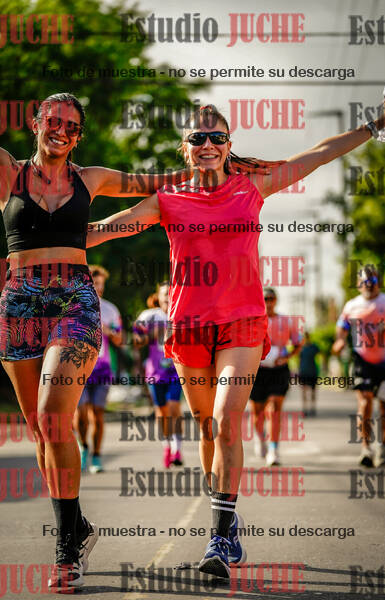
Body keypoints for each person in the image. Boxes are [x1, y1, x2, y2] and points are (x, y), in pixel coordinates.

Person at [86, 98, 385, 578]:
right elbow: (106, 229)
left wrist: (376, 124)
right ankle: (227, 520)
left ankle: (217, 536)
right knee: (207, 429)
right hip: (188, 326)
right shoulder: (168, 198)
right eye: (198, 138)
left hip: (242, 323)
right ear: (185, 148)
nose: (208, 144)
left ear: (229, 144)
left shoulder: (251, 186)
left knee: (225, 419)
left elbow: (319, 154)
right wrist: (35, 238)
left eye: (217, 137)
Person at [0, 92, 195, 593]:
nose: (61, 130)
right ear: (36, 123)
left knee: (52, 417)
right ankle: (78, 526)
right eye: (52, 121)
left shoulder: (92, 178)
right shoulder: (9, 173)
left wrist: (211, 162)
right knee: (41, 432)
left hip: (74, 300)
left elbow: (153, 182)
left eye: (71, 125)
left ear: (79, 135)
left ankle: (66, 547)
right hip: (19, 305)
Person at [333, 266, 385, 468]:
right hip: (362, 360)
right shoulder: (352, 305)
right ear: (358, 285)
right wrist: (340, 341)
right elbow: (342, 327)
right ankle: (366, 448)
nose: (369, 286)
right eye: (364, 282)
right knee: (365, 402)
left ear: (379, 283)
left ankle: (382, 444)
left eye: (372, 282)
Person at [74, 265, 122, 474]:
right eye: (95, 283)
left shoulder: (111, 310)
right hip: (78, 368)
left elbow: (120, 339)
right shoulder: (74, 306)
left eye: (101, 284)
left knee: (97, 414)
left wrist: (107, 330)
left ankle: (96, 456)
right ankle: (83, 446)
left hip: (102, 369)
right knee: (81, 413)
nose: (99, 288)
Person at [134, 281, 184, 468]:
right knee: (162, 412)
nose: (168, 298)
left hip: (176, 370)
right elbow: (136, 341)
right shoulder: (149, 316)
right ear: (159, 297)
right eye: (165, 294)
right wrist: (153, 333)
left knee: (174, 406)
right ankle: (166, 446)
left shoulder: (182, 314)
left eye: (171, 294)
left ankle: (177, 448)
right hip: (155, 372)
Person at [249, 288, 301, 466]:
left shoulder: (286, 321)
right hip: (258, 370)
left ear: (276, 301)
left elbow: (298, 343)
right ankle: (260, 438)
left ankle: (273, 449)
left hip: (279, 370)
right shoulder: (254, 321)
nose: (268, 302)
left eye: (271, 298)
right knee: (257, 412)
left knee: (274, 408)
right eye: (265, 299)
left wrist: (286, 357)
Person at [299, 331, 320, 417]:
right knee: (304, 392)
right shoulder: (301, 348)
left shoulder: (313, 347)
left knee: (313, 392)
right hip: (304, 372)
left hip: (312, 371)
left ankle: (312, 408)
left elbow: (319, 353)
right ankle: (305, 409)